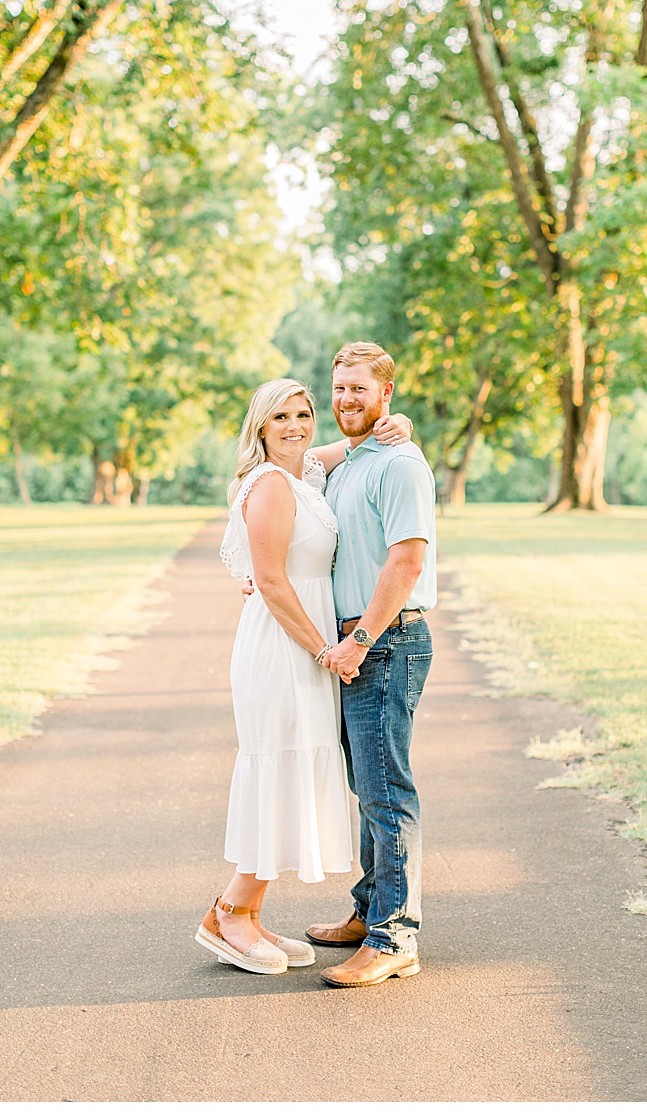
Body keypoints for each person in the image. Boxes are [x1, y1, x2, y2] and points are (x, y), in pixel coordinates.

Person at [196, 375, 412, 976]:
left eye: (303, 413)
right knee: (278, 770)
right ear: (259, 427)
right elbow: (269, 581)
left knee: (293, 771)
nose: (294, 426)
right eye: (280, 417)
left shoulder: (302, 474)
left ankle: (250, 913)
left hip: (308, 646)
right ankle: (229, 913)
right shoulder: (269, 484)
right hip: (286, 647)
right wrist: (326, 649)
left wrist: (397, 426)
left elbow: (352, 446)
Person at [305, 341, 438, 988]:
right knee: (367, 791)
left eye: (359, 388)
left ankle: (394, 938)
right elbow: (292, 462)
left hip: (385, 642)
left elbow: (406, 562)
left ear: (387, 392)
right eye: (339, 388)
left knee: (386, 794)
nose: (345, 400)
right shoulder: (355, 459)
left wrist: (359, 638)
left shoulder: (401, 465)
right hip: (360, 642)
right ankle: (367, 912)